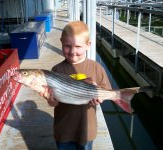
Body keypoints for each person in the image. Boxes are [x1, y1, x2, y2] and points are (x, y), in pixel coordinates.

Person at [40, 21, 111, 150]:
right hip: (63, 130)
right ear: (61, 42)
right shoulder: (56, 70)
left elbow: (106, 92)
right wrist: (50, 99)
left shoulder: (97, 67)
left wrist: (100, 98)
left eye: (78, 46)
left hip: (86, 130)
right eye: (67, 46)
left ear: (88, 45)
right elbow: (53, 104)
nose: (73, 51)